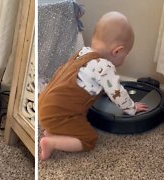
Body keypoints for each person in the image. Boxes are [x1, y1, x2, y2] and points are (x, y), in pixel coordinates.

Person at [39, 11, 148, 160]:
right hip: (59, 113)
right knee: (88, 139)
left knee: (57, 120)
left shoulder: (83, 52)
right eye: (126, 54)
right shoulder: (105, 67)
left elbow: (82, 81)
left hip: (45, 103)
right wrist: (132, 108)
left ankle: (52, 130)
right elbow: (118, 93)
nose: (125, 58)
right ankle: (50, 142)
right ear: (118, 51)